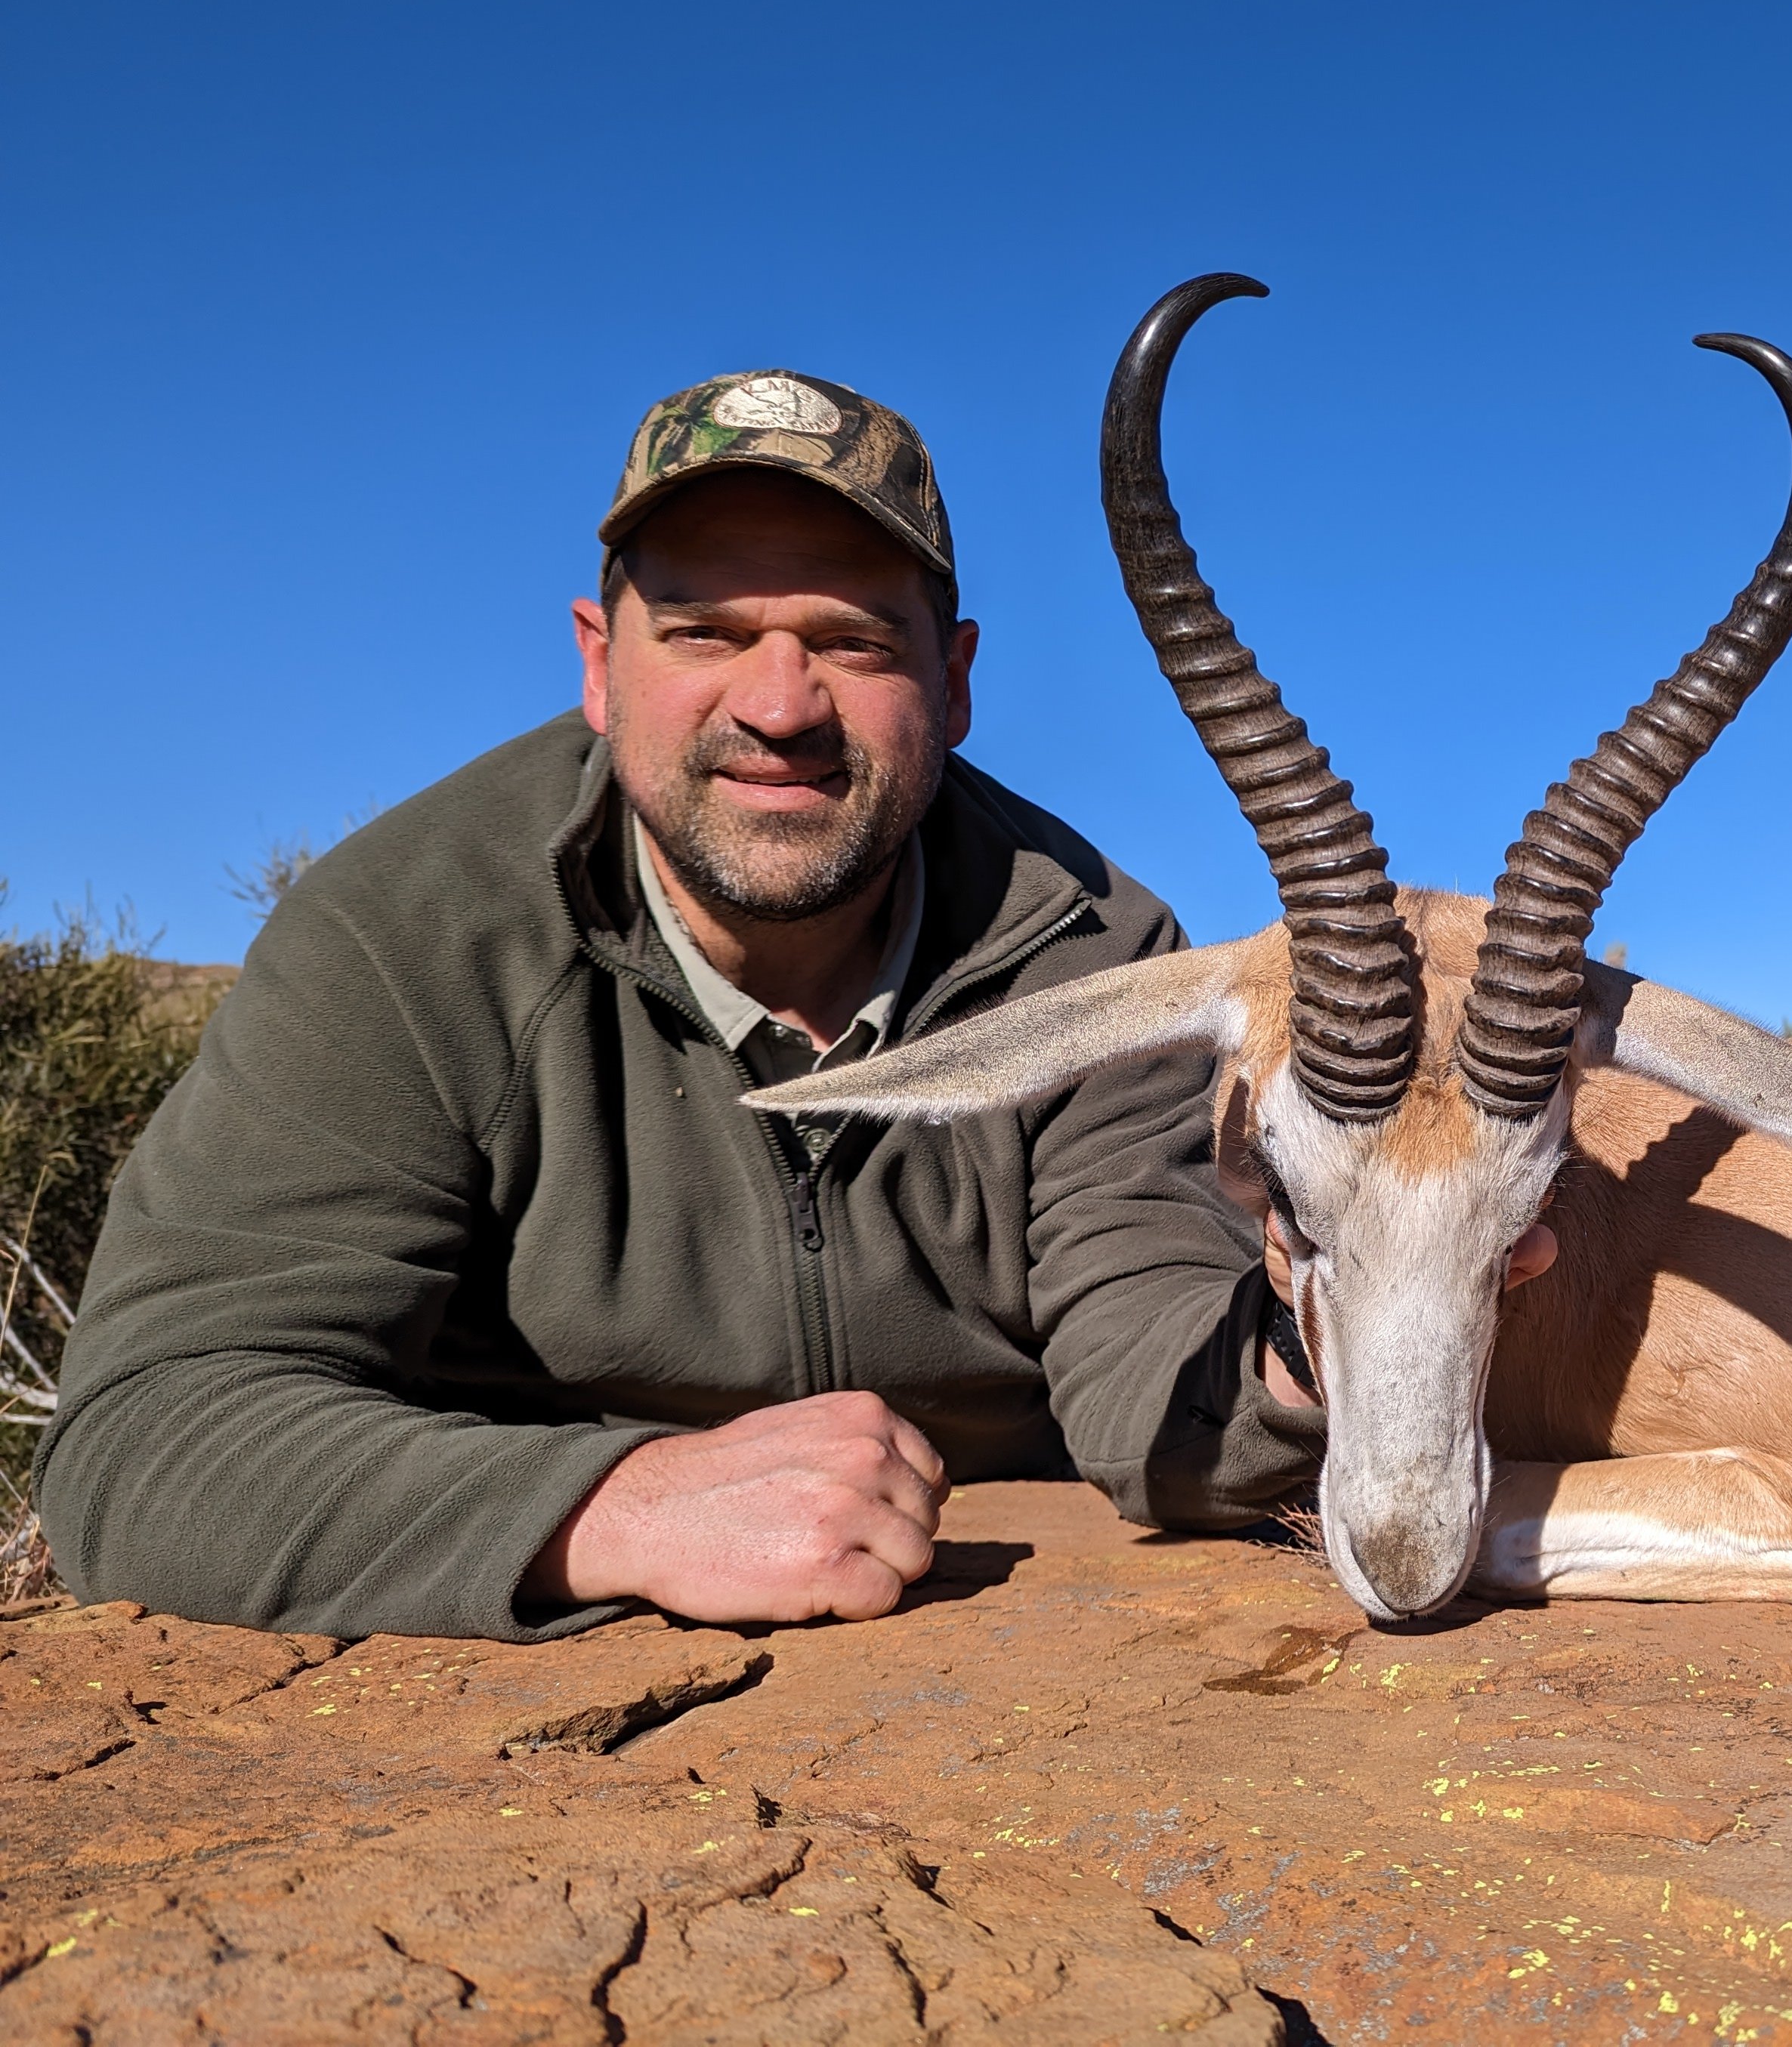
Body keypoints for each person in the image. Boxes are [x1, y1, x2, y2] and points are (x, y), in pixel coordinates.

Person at [38, 369, 1324, 1639]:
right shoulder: (405, 935)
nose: (778, 706)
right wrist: (620, 1506)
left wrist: (1329, 1318)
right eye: (703, 631)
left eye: (855, 639)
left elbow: (1154, 1371)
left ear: (958, 681)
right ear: (601, 665)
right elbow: (151, 1433)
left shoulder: (1096, 950)